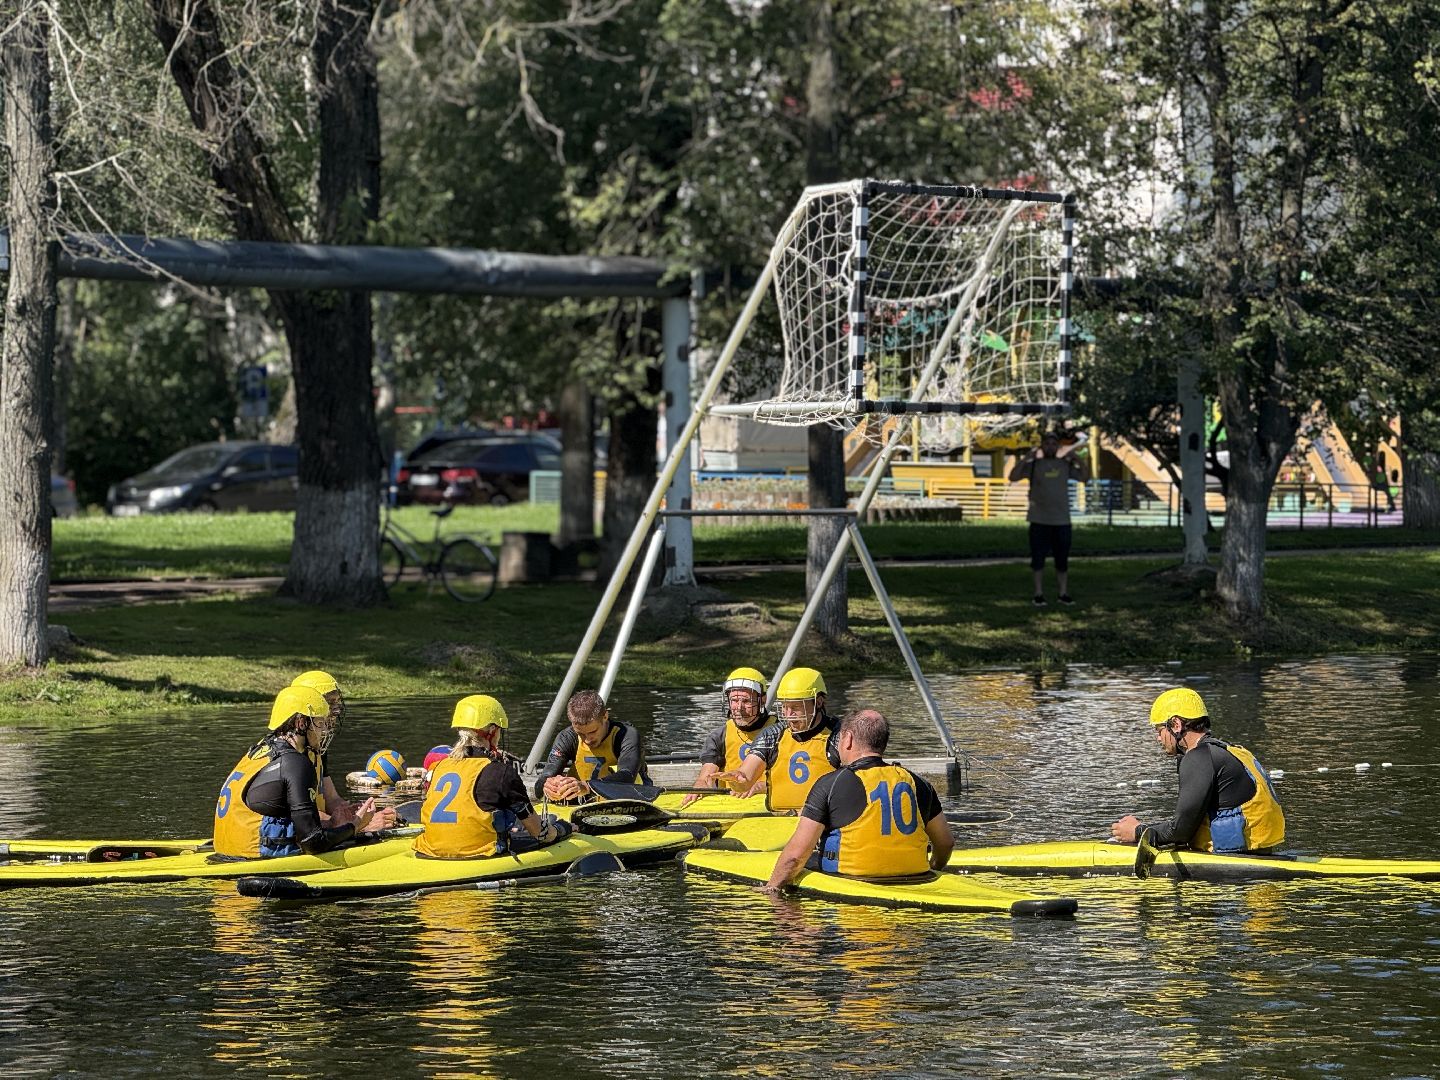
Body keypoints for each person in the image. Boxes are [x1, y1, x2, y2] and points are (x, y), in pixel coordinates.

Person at [762, 709, 953, 893]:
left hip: (851, 880)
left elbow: (794, 858)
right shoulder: (919, 783)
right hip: (917, 876)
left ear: (848, 739)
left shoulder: (831, 783)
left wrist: (771, 887)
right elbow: (945, 843)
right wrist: (933, 869)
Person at [213, 686, 395, 858]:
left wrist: (335, 823)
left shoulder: (259, 752)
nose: (324, 730)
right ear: (301, 722)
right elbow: (313, 842)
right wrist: (355, 826)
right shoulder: (296, 764)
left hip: (226, 853)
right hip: (255, 862)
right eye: (320, 723)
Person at [1110, 687, 1285, 854]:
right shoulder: (1232, 751)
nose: (1158, 737)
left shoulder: (1198, 757)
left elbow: (1180, 832)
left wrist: (1138, 831)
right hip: (1260, 854)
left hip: (1232, 868)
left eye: (1159, 730)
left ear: (1176, 724)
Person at [416, 695, 571, 858]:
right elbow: (540, 833)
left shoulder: (440, 766)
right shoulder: (501, 772)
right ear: (492, 731)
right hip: (480, 856)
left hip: (430, 852)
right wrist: (563, 828)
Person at [717, 667, 841, 812]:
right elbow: (746, 775)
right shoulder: (771, 735)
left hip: (825, 822)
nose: (789, 714)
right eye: (785, 707)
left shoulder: (840, 735)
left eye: (795, 707)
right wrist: (738, 780)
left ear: (818, 702)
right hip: (779, 819)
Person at [1008, 429, 1087, 606]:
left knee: (1062, 560)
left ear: (1058, 446)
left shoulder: (1065, 464)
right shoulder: (1034, 465)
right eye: (1047, 443)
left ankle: (1063, 593)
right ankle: (1038, 594)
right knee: (1038, 559)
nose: (1050, 446)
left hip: (1062, 520)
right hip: (1039, 519)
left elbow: (1085, 477)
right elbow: (1012, 476)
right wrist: (1026, 458)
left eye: (1053, 443)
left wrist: (1076, 458)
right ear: (1042, 446)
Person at [534, 689, 650, 803]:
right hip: (583, 802)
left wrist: (586, 786)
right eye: (580, 734)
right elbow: (541, 785)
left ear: (605, 716)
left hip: (629, 800)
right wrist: (548, 787)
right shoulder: (567, 737)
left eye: (592, 732)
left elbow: (627, 776)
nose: (587, 740)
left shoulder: (626, 735)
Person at [289, 669, 366, 826]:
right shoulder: (288, 757)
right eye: (329, 703)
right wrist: (357, 825)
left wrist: (355, 812)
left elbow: (331, 799)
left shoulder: (315, 746)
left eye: (336, 703)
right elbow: (300, 814)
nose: (336, 712)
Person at [691, 667, 779, 793]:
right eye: (734, 700)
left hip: (766, 801)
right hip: (730, 803)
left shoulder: (781, 733)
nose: (739, 707)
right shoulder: (719, 736)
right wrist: (700, 785)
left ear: (763, 700)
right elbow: (706, 776)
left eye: (746, 701)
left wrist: (762, 787)